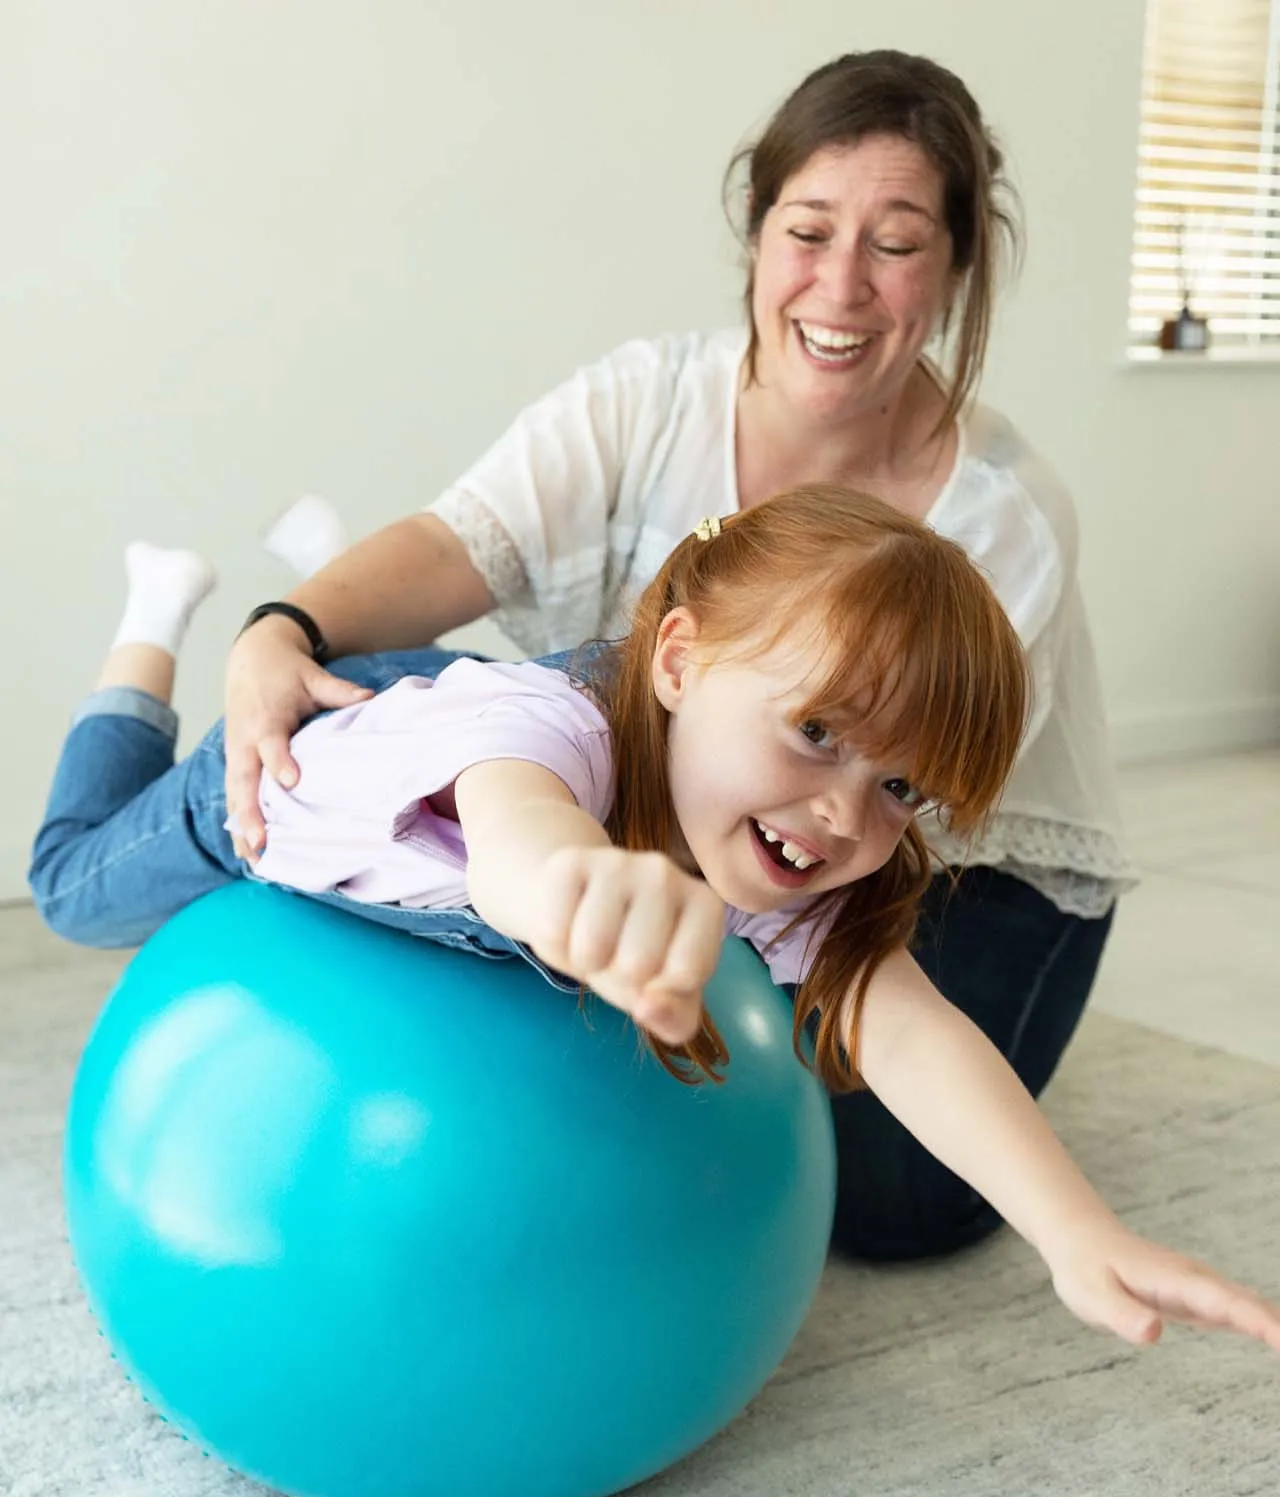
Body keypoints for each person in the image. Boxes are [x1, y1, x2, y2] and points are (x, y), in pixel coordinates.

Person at [234, 49, 1133, 1261]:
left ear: (957, 271)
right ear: (756, 237)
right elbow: (456, 545)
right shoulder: (649, 398)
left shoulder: (996, 519)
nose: (842, 284)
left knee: (878, 1199)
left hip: (945, 852)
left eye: (898, 242)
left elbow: (869, 822)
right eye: (807, 230)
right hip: (720, 787)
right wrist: (280, 632)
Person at [28, 489, 1280, 1356]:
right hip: (299, 769)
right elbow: (523, 842)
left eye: (900, 788)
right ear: (675, 662)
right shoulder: (541, 741)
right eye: (817, 732)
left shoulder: (780, 843)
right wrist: (591, 890)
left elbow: (914, 1035)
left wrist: (1075, 1229)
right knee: (74, 885)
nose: (842, 813)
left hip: (490, 718)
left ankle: (337, 557)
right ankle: (151, 615)